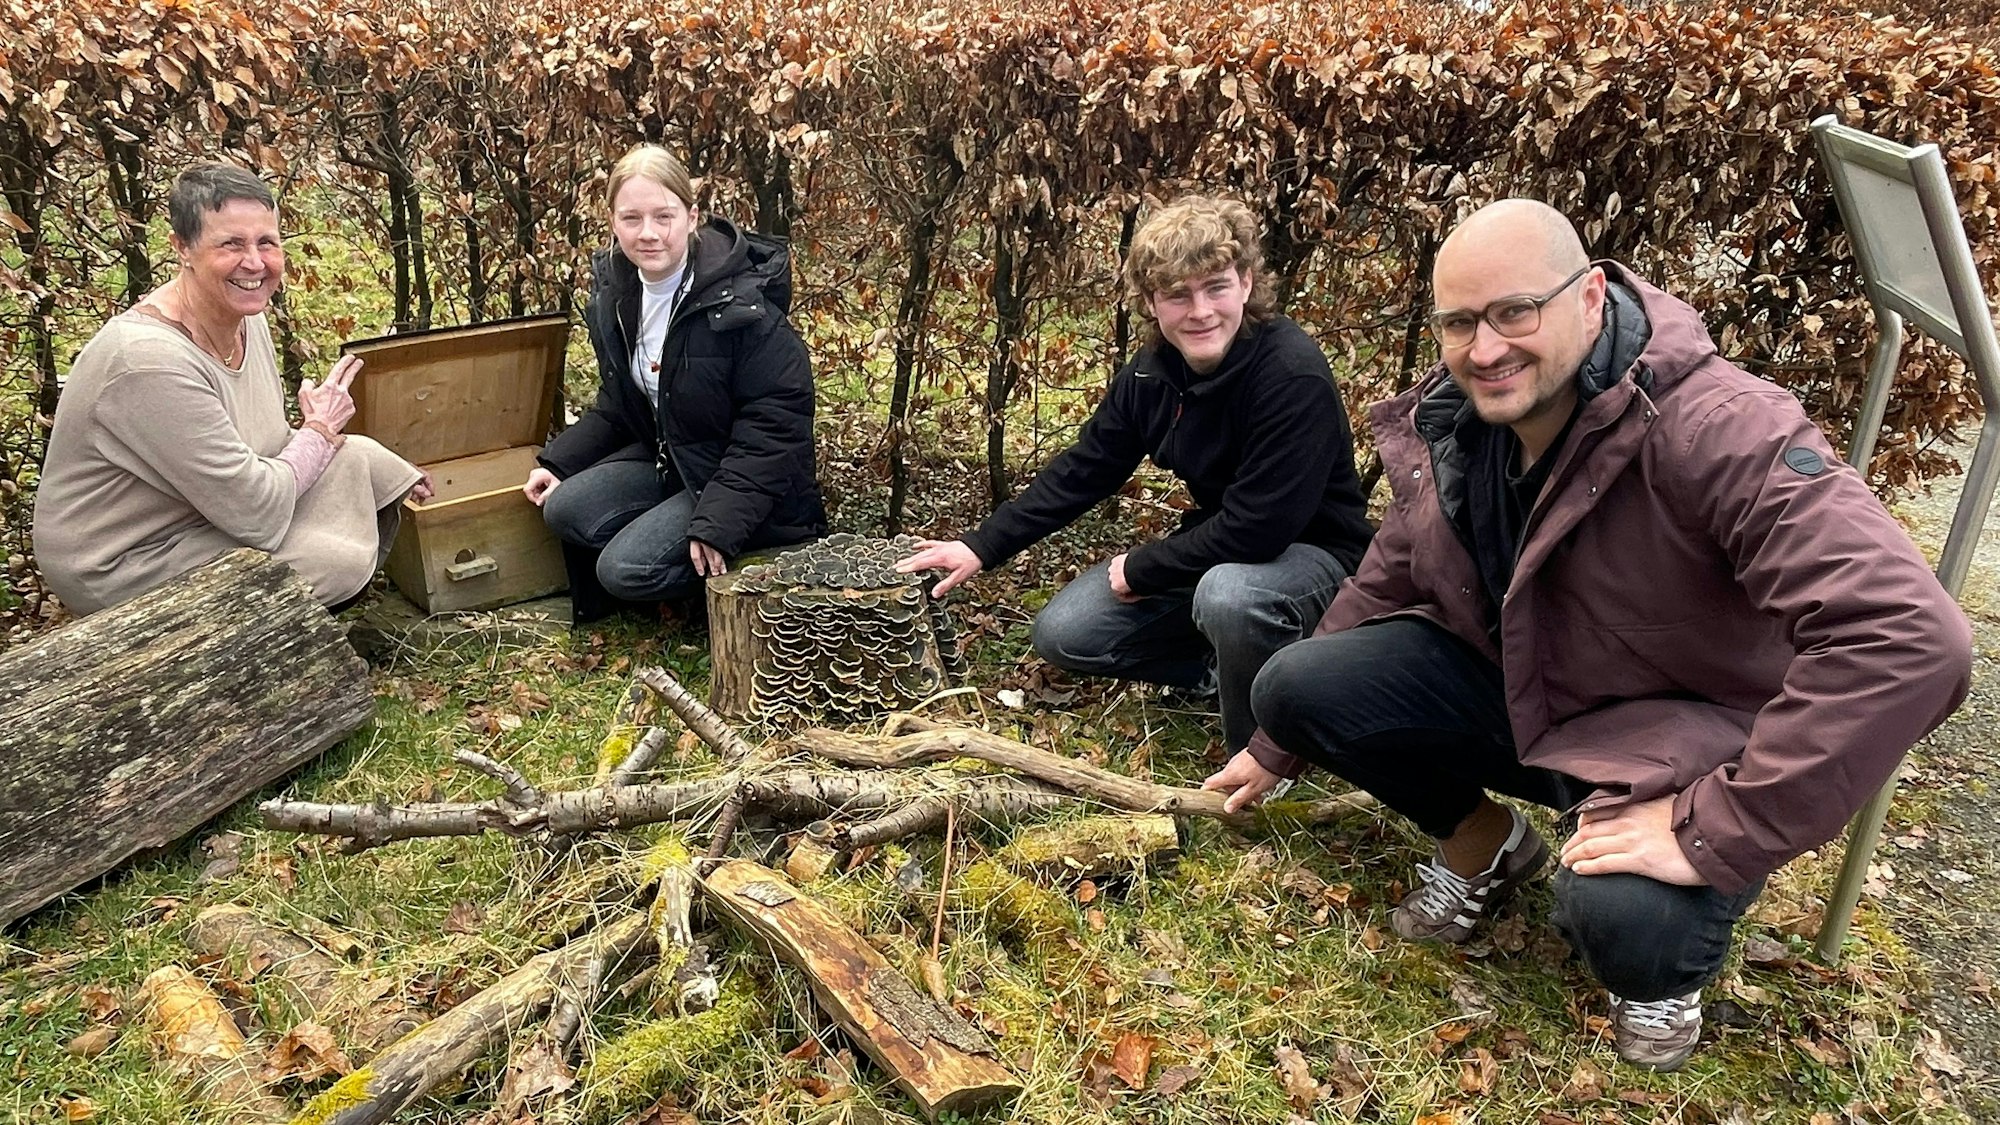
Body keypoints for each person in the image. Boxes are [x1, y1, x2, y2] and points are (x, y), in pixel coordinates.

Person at [1203, 199, 1973, 1071]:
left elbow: (1910, 638)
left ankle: (1660, 963)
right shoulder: (1464, 423)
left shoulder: (1722, 428)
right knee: (1296, 683)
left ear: (1592, 297)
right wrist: (1276, 743)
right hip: (1538, 693)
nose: (1486, 348)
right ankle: (1485, 847)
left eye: (1515, 311)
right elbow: (1393, 567)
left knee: (1619, 921)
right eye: (1459, 322)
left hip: (1679, 736)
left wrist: (1719, 824)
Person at [896, 195, 1374, 753]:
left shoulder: (1290, 376)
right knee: (1066, 632)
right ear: (1152, 302)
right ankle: (1223, 677)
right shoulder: (1151, 375)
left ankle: (1267, 751)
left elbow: (1259, 530)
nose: (1200, 311)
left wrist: (1144, 569)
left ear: (1245, 282)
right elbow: (1086, 469)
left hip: (1317, 560)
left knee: (1231, 596)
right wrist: (981, 546)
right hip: (1223, 550)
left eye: (1216, 286)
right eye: (1178, 294)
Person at [34, 163, 426, 616]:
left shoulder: (246, 320)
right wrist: (317, 432)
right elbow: (257, 512)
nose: (255, 263)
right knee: (331, 560)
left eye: (267, 243)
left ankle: (293, 620)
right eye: (231, 244)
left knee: (359, 456)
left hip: (208, 512)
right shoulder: (147, 362)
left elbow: (266, 448)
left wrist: (379, 465)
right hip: (126, 560)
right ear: (182, 248)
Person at [525, 144, 824, 621]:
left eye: (664, 216)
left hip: (748, 488)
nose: (648, 234)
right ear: (612, 222)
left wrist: (718, 523)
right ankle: (673, 543)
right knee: (564, 509)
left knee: (623, 570)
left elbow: (775, 430)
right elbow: (622, 402)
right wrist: (561, 462)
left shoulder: (744, 306)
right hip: (677, 462)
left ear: (692, 216)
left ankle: (748, 571)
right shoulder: (618, 293)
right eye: (631, 218)